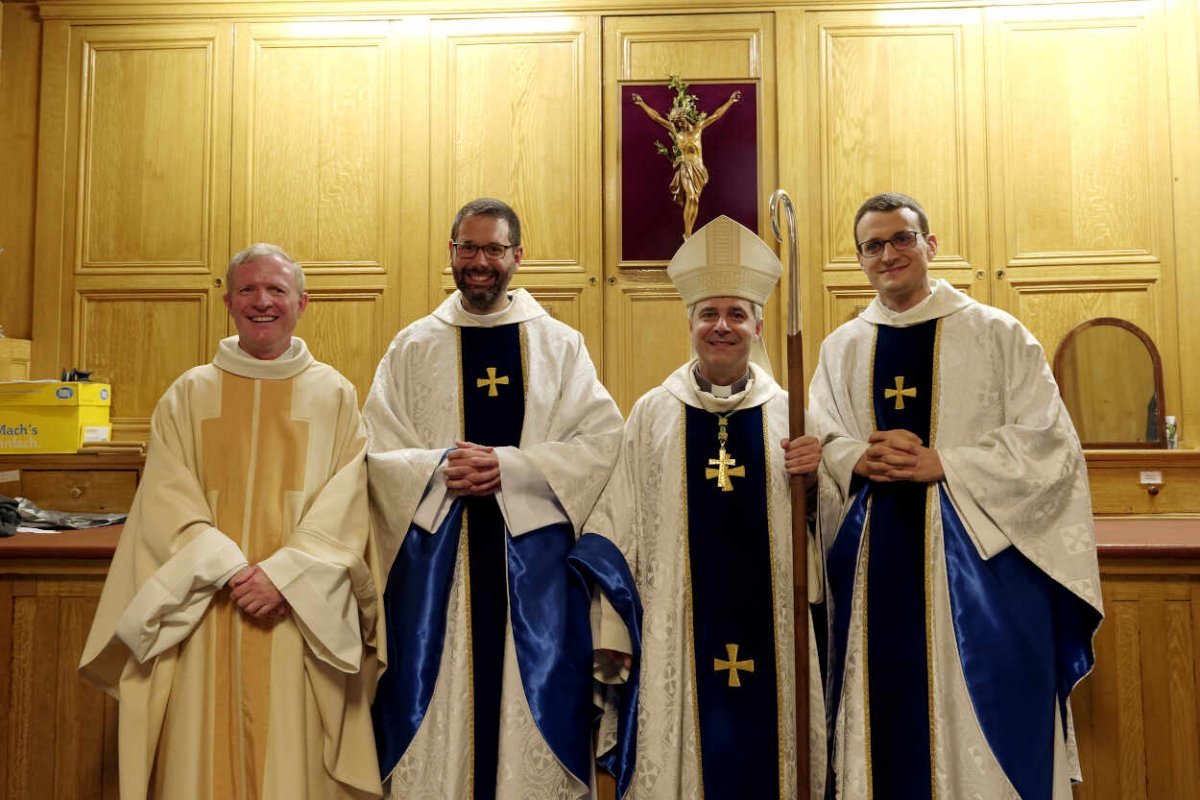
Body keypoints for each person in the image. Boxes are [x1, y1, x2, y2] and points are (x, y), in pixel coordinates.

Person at [809, 192, 1104, 799]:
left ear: (930, 245)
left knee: (981, 726)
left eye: (901, 239)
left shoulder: (998, 335)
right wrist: (854, 457)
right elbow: (819, 435)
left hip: (978, 580)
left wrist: (945, 463)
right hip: (873, 578)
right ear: (860, 259)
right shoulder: (841, 348)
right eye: (873, 245)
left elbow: (1051, 446)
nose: (888, 254)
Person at [79, 243, 384, 799]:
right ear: (227, 301)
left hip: (297, 613)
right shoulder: (189, 394)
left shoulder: (334, 395)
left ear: (302, 303)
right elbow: (165, 501)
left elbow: (348, 503)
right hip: (204, 608)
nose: (261, 302)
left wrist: (284, 576)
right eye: (247, 290)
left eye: (276, 290)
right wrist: (228, 570)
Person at [364, 197, 627, 799]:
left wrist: (510, 467)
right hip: (438, 579)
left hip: (534, 574)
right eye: (468, 249)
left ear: (518, 256)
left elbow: (602, 442)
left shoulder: (560, 346)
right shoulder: (412, 347)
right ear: (450, 252)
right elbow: (375, 448)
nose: (479, 262)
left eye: (493, 250)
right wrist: (439, 470)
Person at [583, 215, 827, 799]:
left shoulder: (792, 416)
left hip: (776, 631)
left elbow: (825, 533)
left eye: (736, 314)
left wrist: (817, 485)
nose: (722, 326)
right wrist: (611, 629)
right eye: (709, 314)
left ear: (758, 326)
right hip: (677, 635)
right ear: (689, 322)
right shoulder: (652, 414)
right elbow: (620, 526)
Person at [630, 81, 741, 239]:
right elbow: (657, 118)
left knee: (695, 200)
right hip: (686, 167)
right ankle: (688, 234)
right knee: (690, 197)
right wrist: (642, 103)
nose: (679, 124)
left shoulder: (699, 128)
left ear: (686, 118)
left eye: (680, 121)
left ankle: (689, 232)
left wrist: (730, 101)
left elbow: (716, 115)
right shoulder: (677, 132)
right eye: (677, 123)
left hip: (699, 168)